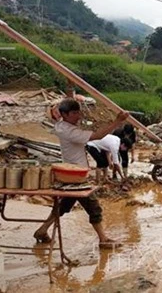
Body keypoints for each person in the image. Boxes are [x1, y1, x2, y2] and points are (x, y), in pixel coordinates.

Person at [33, 98, 129, 249]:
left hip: (72, 173)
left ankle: (42, 230)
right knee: (94, 208)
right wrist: (117, 121)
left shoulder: (61, 125)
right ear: (64, 114)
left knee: (63, 206)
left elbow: (54, 113)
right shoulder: (70, 131)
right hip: (76, 176)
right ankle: (103, 239)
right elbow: (96, 136)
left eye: (78, 112)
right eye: (74, 113)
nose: (78, 116)